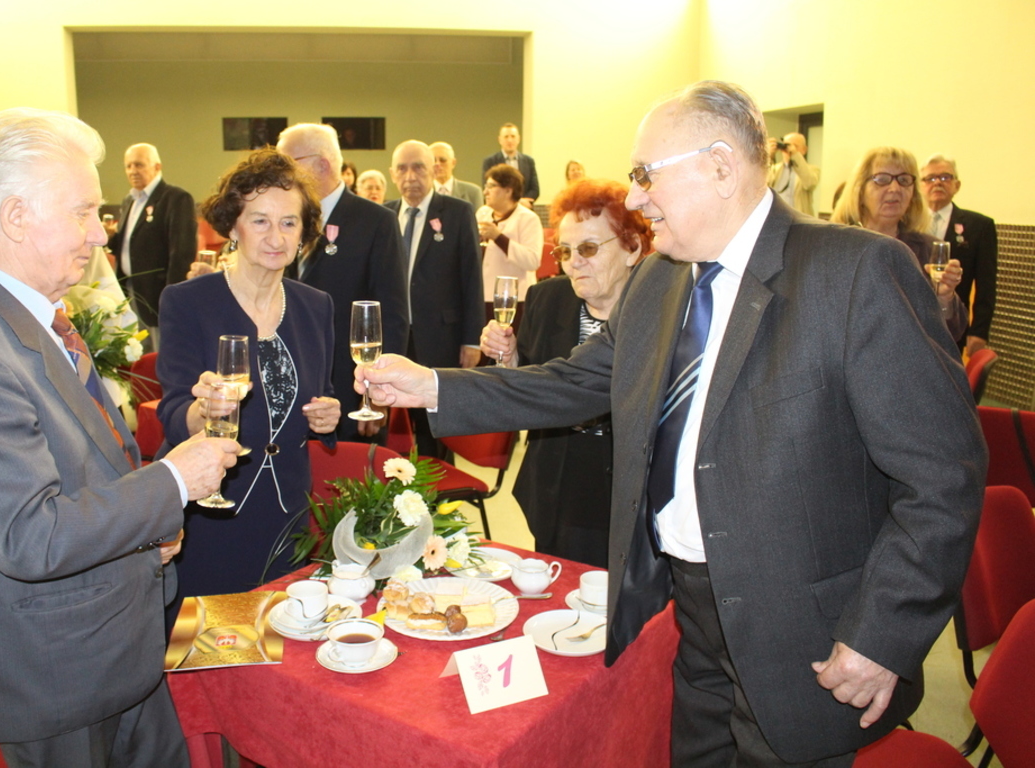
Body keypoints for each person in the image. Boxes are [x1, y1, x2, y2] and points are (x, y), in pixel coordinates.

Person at [358, 81, 985, 766]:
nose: (635, 198)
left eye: (644, 174)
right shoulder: (661, 280)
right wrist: (431, 386)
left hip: (807, 633)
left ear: (719, 166)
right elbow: (574, 382)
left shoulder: (852, 271)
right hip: (690, 613)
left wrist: (882, 634)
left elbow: (941, 478)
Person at [0, 107, 238, 767]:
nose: (100, 233)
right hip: (56, 672)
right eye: (82, 212)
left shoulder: (32, 317)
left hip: (117, 642)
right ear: (16, 217)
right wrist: (172, 483)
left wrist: (150, 525)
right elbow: (31, 535)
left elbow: (88, 469)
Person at [157, 148, 341, 604]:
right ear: (233, 227)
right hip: (211, 508)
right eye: (260, 221)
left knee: (282, 631)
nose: (276, 236)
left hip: (286, 511)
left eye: (289, 222)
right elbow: (174, 411)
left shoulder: (316, 305)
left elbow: (322, 395)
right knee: (209, 639)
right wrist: (204, 411)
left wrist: (328, 417)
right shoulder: (187, 302)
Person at [480, 178, 651, 567]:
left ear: (632, 247)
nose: (574, 262)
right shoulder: (547, 299)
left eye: (588, 248)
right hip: (558, 479)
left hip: (631, 486)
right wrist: (510, 359)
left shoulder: (660, 311)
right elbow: (530, 389)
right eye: (565, 251)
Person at [277, 123, 409, 442]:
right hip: (291, 381)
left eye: (287, 164)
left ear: (322, 165)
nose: (280, 175)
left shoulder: (376, 221)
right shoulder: (285, 219)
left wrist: (378, 392)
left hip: (350, 384)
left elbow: (392, 313)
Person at [385, 140, 483, 458]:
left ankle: (438, 488)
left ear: (434, 170)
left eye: (418, 167)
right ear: (392, 174)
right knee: (388, 426)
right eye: (402, 168)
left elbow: (471, 277)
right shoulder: (383, 215)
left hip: (441, 337)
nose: (410, 176)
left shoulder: (457, 212)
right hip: (394, 337)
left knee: (435, 429)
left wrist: (472, 339)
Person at [831, 147, 967, 341]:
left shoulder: (928, 249)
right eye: (882, 179)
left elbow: (952, 334)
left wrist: (944, 298)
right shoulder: (836, 247)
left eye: (904, 180)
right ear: (860, 190)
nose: (895, 189)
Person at [105, 143, 196, 348]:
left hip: (158, 296)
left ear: (157, 167)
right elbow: (130, 244)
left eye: (139, 165)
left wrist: (172, 298)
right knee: (138, 353)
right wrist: (109, 238)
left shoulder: (176, 198)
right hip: (131, 290)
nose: (132, 171)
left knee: (162, 353)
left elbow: (182, 253)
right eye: (128, 166)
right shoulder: (129, 200)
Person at [921, 153, 998, 354]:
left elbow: (986, 284)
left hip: (954, 326)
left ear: (957, 185)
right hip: (915, 324)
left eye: (945, 177)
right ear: (920, 186)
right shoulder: (908, 224)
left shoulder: (979, 226)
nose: (937, 183)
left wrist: (979, 331)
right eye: (930, 178)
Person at [476, 164, 543, 320]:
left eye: (491, 186)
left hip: (514, 298)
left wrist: (499, 237)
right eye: (486, 186)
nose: (485, 192)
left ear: (508, 190)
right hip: (483, 294)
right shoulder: (483, 213)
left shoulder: (527, 219)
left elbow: (532, 261)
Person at [482, 123, 540, 207]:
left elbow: (535, 189)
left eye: (513, 136)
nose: (509, 140)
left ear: (518, 139)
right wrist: (512, 202)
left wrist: (519, 202)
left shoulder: (529, 161)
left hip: (524, 208)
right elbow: (488, 187)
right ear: (499, 140)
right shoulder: (490, 161)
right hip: (500, 208)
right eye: (506, 137)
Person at [767, 132, 820, 215]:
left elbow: (810, 183)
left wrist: (795, 155)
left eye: (795, 146)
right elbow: (763, 185)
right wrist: (768, 156)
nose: (789, 149)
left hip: (799, 218)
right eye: (786, 145)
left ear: (804, 150)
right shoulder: (774, 169)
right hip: (777, 217)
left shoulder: (813, 169)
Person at [430, 141, 484, 209]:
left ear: (453, 163)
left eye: (443, 160)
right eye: (433, 160)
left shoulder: (473, 192)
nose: (437, 164)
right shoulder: (422, 193)